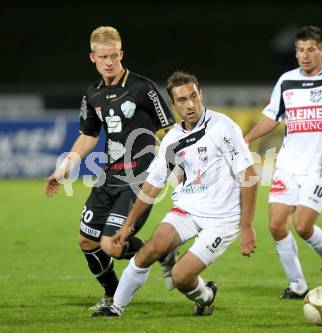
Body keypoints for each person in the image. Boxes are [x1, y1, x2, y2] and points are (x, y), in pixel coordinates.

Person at [90, 71, 258, 317]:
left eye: (193, 96)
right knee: (148, 252)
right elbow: (150, 187)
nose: (190, 105)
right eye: (182, 100)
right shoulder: (172, 139)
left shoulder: (223, 127)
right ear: (173, 104)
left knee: (180, 276)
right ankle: (116, 307)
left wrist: (247, 226)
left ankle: (206, 297)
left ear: (200, 94)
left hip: (222, 218)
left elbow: (249, 176)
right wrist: (127, 226)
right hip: (188, 208)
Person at [44, 26, 177, 310]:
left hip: (139, 178)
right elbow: (89, 135)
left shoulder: (143, 87)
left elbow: (168, 130)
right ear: (92, 57)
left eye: (113, 56)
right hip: (108, 177)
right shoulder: (93, 94)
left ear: (121, 54)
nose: (108, 62)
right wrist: (66, 166)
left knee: (111, 245)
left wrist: (173, 167)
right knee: (85, 241)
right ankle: (112, 294)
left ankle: (161, 250)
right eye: (102, 57)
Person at [244, 25, 322, 299]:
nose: (305, 56)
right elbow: (272, 117)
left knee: (302, 225)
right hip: (288, 163)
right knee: (276, 225)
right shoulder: (286, 81)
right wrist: (247, 138)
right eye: (300, 50)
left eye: (311, 50)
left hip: (320, 165)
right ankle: (298, 285)